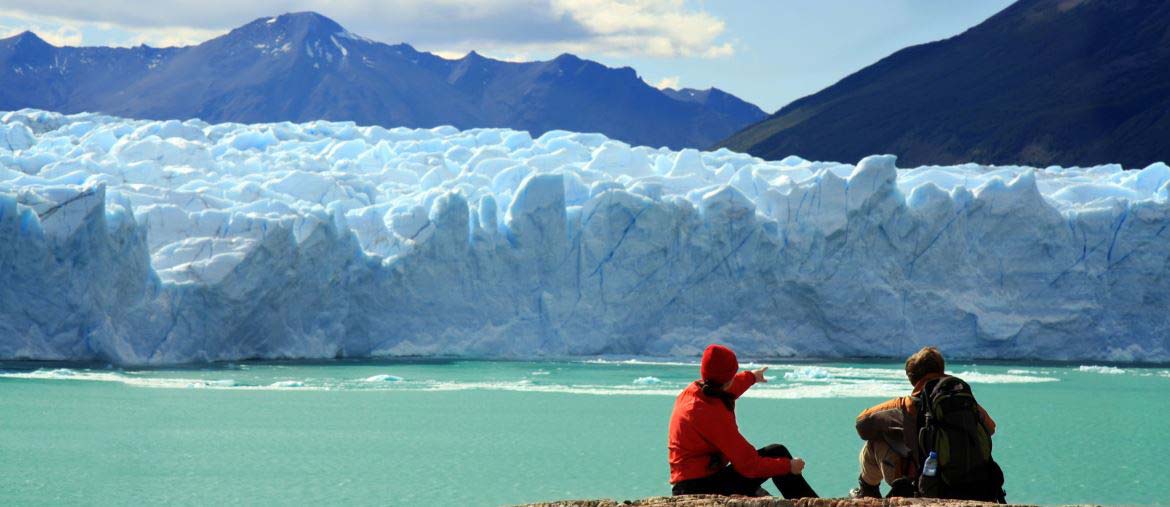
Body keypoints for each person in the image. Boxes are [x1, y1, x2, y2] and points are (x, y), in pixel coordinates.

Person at [667, 344, 818, 498]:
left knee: (775, 455)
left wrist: (753, 376)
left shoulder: (697, 391)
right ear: (727, 379)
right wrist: (788, 466)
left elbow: (732, 386)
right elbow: (748, 464)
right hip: (697, 488)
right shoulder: (707, 413)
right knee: (777, 452)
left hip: (697, 480)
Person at [851, 346, 1001, 500]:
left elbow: (862, 424)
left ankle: (868, 490)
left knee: (876, 442)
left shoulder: (905, 405)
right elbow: (991, 428)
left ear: (912, 377)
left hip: (925, 484)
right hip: (975, 482)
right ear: (941, 369)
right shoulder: (965, 400)